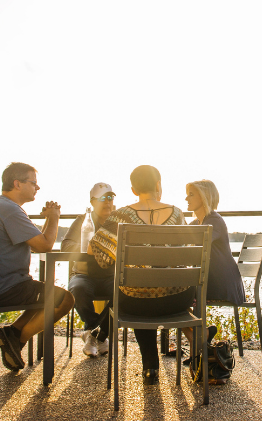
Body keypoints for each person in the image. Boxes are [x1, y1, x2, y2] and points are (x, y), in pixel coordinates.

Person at [89, 165, 191, 384]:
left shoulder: (120, 216)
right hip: (177, 300)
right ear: (158, 185)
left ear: (134, 190)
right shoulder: (177, 213)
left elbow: (98, 251)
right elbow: (184, 255)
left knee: (134, 291)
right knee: (145, 289)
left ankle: (150, 366)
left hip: (137, 304)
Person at [0, 162, 75, 371]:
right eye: (33, 183)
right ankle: (16, 339)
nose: (38, 188)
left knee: (46, 296)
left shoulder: (3, 207)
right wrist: (55, 217)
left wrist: (48, 221)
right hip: (2, 289)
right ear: (17, 184)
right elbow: (45, 245)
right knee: (65, 300)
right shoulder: (9, 211)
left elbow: (37, 244)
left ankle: (12, 333)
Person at [183, 179, 245, 354]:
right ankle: (198, 340)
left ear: (204, 197)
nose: (186, 198)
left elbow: (195, 245)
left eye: (191, 194)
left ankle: (197, 345)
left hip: (222, 284)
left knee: (175, 296)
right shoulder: (197, 223)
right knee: (173, 296)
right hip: (209, 280)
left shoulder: (213, 222)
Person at [61, 183, 116, 357]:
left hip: (109, 276)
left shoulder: (116, 222)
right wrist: (88, 246)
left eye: (110, 198)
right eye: (102, 199)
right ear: (92, 201)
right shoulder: (83, 220)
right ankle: (100, 334)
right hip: (83, 275)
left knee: (125, 290)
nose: (107, 202)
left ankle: (92, 334)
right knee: (78, 290)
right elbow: (66, 245)